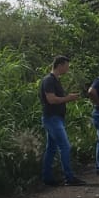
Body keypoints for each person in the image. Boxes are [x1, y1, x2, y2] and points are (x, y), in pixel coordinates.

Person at [40, 55, 85, 186]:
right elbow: (51, 99)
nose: (68, 69)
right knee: (65, 146)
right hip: (52, 118)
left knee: (51, 149)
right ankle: (69, 177)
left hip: (55, 118)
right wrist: (68, 98)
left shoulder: (55, 80)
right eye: (66, 66)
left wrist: (67, 98)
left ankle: (47, 177)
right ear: (60, 65)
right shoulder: (49, 80)